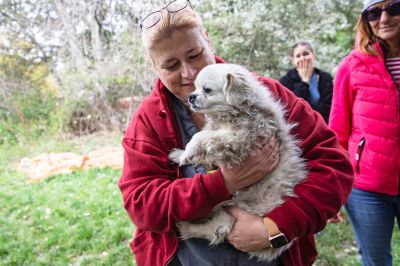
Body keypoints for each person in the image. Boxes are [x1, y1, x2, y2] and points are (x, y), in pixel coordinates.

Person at [118, 1, 353, 265]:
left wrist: (276, 228)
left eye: (195, 54)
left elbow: (335, 166)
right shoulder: (147, 122)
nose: (189, 73)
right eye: (171, 66)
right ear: (154, 66)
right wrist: (224, 184)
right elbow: (142, 203)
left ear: (208, 41)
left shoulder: (267, 95)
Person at [329, 0, 400, 265]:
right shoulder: (352, 65)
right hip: (366, 187)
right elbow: (337, 131)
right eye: (374, 12)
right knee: (376, 260)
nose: (384, 18)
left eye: (394, 8)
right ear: (365, 20)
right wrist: (334, 190)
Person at [279, 42, 333, 124]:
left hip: (323, 125)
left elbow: (329, 108)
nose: (302, 58)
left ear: (313, 55)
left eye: (306, 54)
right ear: (293, 60)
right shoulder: (286, 81)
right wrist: (305, 80)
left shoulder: (325, 78)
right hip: (299, 129)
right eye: (298, 56)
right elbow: (294, 108)